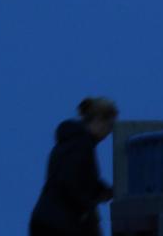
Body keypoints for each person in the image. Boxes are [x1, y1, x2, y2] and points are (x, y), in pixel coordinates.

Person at [30, 97, 118, 236]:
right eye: (109, 125)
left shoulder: (70, 141)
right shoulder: (82, 144)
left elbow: (81, 180)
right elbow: (70, 183)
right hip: (61, 224)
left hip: (46, 219)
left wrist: (105, 192)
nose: (109, 132)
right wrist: (87, 212)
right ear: (98, 120)